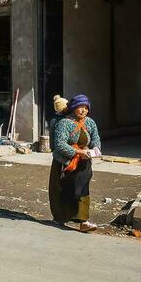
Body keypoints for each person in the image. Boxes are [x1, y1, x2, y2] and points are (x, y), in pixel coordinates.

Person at [49, 93, 101, 231]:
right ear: (73, 108)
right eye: (80, 107)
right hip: (64, 163)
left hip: (83, 162)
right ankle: (60, 218)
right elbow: (59, 144)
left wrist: (95, 149)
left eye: (85, 107)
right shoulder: (64, 123)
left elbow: (95, 138)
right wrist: (78, 152)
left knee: (82, 189)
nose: (83, 110)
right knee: (62, 190)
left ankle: (83, 221)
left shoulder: (90, 122)